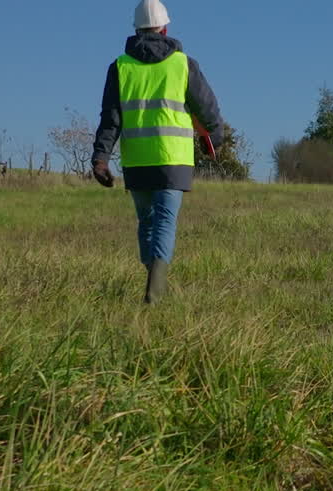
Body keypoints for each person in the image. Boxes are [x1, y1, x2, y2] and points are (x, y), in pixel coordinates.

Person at [91, 0, 226, 304]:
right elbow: (208, 108)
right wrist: (213, 139)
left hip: (137, 160)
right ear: (165, 28)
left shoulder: (120, 67)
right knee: (165, 221)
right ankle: (155, 290)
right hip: (173, 158)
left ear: (136, 29)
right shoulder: (183, 64)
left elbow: (110, 119)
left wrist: (101, 158)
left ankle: (154, 281)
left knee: (147, 223)